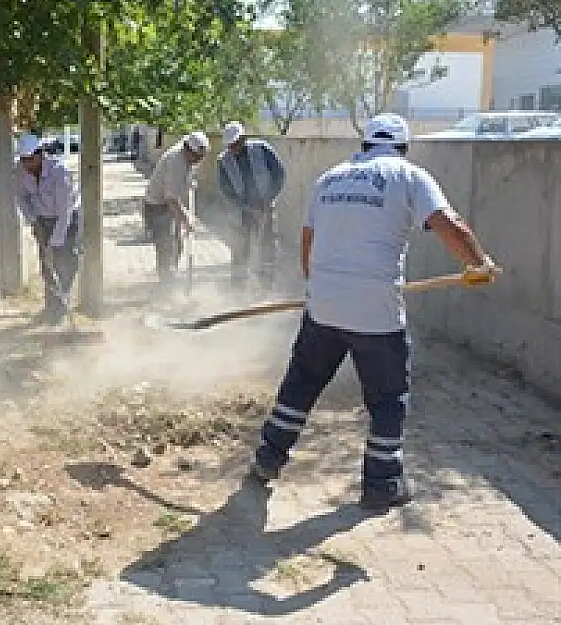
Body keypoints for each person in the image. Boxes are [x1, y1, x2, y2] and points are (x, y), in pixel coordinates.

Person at [248, 113, 498, 510]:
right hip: (375, 312)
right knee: (387, 398)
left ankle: (267, 459)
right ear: (402, 146)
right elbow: (449, 224)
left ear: (365, 143)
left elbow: (308, 238)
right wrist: (479, 264)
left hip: (323, 305)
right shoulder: (410, 176)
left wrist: (319, 287)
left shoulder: (329, 178)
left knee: (301, 383)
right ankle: (382, 485)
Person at [14, 132, 81, 324]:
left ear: (41, 154)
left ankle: (64, 298)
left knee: (64, 260)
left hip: (67, 219)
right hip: (42, 218)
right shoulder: (20, 171)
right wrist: (33, 220)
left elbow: (65, 211)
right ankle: (53, 305)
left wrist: (56, 240)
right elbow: (20, 197)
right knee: (47, 263)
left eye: (30, 159)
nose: (27, 164)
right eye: (23, 159)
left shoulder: (60, 173)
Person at [216, 121, 286, 291]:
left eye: (236, 143)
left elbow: (279, 174)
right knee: (240, 250)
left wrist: (269, 199)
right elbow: (226, 191)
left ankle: (266, 286)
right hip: (241, 213)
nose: (234, 148)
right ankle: (238, 289)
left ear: (243, 138)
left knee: (267, 247)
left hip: (265, 208)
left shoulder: (262, 149)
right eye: (230, 145)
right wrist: (247, 207)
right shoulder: (223, 161)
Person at [141, 132, 209, 287]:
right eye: (198, 157)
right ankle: (167, 287)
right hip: (157, 207)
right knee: (166, 247)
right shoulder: (175, 162)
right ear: (188, 150)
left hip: (169, 205)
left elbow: (185, 183)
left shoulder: (188, 159)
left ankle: (170, 281)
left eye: (202, 156)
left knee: (177, 244)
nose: (200, 160)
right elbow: (171, 199)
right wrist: (186, 220)